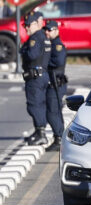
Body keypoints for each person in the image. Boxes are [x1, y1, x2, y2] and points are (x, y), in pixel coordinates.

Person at [19, 13, 51, 145]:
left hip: (35, 77)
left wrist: (23, 50)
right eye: (25, 26)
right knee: (39, 105)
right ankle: (39, 131)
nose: (26, 28)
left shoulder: (35, 38)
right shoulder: (43, 37)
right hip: (42, 75)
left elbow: (32, 55)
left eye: (28, 25)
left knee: (33, 105)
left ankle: (41, 133)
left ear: (34, 25)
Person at [44, 20, 67, 151]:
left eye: (50, 30)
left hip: (56, 83)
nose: (47, 32)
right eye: (46, 30)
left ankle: (58, 138)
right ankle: (59, 136)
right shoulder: (50, 44)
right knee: (54, 111)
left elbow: (58, 60)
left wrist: (44, 61)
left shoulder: (57, 45)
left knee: (52, 112)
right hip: (53, 83)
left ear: (56, 31)